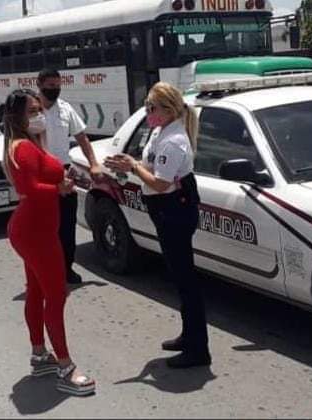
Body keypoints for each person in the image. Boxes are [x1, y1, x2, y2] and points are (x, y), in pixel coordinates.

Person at [103, 82, 211, 369]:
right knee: (178, 275)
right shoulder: (159, 131)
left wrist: (133, 167)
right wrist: (132, 163)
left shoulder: (174, 140)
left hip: (175, 209)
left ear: (168, 109)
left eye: (152, 107)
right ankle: (189, 336)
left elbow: (161, 183)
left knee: (185, 279)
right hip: (164, 209)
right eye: (146, 106)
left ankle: (198, 349)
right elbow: (151, 165)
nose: (147, 112)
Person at [3, 89, 96, 396]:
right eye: (32, 111)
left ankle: (40, 354)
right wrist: (59, 188)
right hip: (36, 232)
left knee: (37, 291)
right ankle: (66, 368)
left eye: (39, 109)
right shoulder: (23, 148)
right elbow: (29, 187)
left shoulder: (27, 144)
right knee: (56, 295)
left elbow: (39, 179)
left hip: (35, 229)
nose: (39, 115)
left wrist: (63, 180)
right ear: (17, 117)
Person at [37, 68, 102, 285]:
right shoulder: (31, 110)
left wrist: (93, 164)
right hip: (40, 173)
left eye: (58, 86)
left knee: (67, 224)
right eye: (51, 86)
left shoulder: (65, 109)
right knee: (45, 227)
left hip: (63, 171)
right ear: (40, 85)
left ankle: (66, 268)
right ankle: (45, 269)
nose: (55, 90)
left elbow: (82, 138)